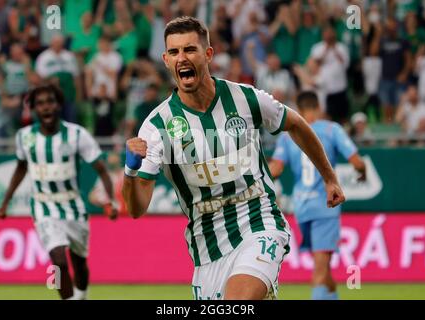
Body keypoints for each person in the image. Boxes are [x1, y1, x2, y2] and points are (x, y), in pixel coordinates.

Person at [122, 16, 345, 300]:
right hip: (207, 245)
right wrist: (131, 171)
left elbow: (296, 124)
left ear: (208, 54)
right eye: (175, 52)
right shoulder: (157, 127)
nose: (182, 58)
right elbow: (136, 208)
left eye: (190, 49)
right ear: (165, 60)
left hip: (259, 220)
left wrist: (330, 178)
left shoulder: (245, 98)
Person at [0, 84, 118, 300]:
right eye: (40, 104)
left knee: (80, 263)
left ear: (58, 104)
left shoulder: (77, 134)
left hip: (73, 206)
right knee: (58, 261)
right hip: (44, 206)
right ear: (33, 108)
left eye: (50, 102)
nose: (46, 107)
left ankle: (82, 296)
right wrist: (6, 202)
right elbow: (21, 167)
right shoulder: (25, 137)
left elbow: (101, 169)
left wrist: (110, 200)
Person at [269, 91, 366, 300]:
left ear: (300, 110)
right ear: (318, 107)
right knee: (320, 270)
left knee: (321, 267)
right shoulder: (332, 130)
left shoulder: (288, 136)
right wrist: (363, 172)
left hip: (302, 208)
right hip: (326, 206)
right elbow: (357, 162)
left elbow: (275, 169)